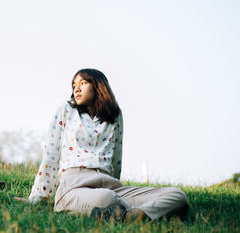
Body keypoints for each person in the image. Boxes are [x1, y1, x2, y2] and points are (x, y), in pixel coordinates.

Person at [15, 68, 189, 222]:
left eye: (83, 83)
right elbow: (51, 155)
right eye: (74, 84)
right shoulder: (66, 110)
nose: (76, 88)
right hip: (74, 186)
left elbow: (116, 158)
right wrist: (38, 197)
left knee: (177, 195)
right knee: (106, 198)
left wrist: (117, 188)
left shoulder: (115, 115)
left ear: (98, 86)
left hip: (110, 185)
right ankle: (130, 211)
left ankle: (134, 215)